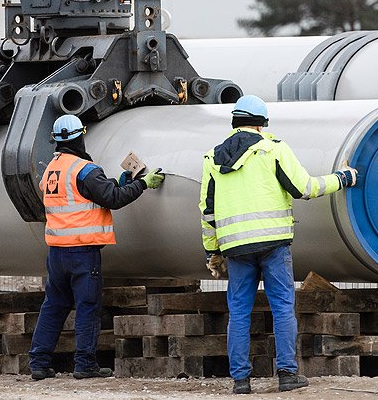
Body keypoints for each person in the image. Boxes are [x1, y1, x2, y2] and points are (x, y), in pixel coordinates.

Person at [199, 95, 358, 394]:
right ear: (263, 124)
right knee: (283, 308)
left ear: (234, 122)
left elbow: (207, 212)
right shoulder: (273, 150)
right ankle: (287, 374)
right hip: (273, 244)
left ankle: (241, 381)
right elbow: (304, 188)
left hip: (235, 248)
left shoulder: (212, 158)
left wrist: (212, 251)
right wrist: (342, 178)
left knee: (239, 311)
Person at [29, 114, 165, 380]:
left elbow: (87, 195)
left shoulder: (52, 170)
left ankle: (39, 363)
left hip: (57, 252)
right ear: (81, 136)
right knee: (88, 306)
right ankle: (85, 365)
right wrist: (142, 184)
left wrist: (120, 181)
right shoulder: (84, 169)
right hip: (82, 251)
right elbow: (112, 199)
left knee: (53, 305)